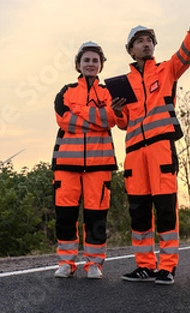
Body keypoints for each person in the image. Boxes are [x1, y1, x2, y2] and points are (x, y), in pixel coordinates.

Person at [111, 12, 190, 285]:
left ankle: (167, 267)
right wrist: (117, 113)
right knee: (139, 211)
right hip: (135, 154)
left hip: (161, 148)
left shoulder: (167, 70)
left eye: (149, 40)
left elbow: (185, 55)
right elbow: (124, 122)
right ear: (131, 49)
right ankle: (144, 266)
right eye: (140, 41)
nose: (146, 44)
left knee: (165, 209)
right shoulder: (124, 84)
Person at [51, 41, 118, 280]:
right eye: (86, 60)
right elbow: (62, 118)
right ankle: (66, 262)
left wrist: (79, 112)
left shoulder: (109, 91)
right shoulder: (66, 91)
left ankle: (94, 264)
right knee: (65, 216)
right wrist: (95, 121)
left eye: (95, 60)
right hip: (66, 165)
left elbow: (111, 118)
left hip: (99, 166)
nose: (90, 64)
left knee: (96, 218)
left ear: (101, 65)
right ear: (78, 64)